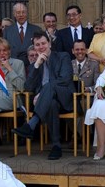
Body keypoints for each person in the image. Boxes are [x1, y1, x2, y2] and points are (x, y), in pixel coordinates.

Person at [12, 31, 74, 160]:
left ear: (49, 44)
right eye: (37, 45)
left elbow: (65, 79)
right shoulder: (36, 63)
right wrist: (36, 65)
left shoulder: (63, 56)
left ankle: (31, 124)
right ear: (34, 47)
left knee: (49, 87)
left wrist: (42, 93)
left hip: (64, 99)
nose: (41, 47)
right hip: (48, 103)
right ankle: (56, 146)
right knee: (51, 104)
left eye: (43, 43)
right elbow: (27, 87)